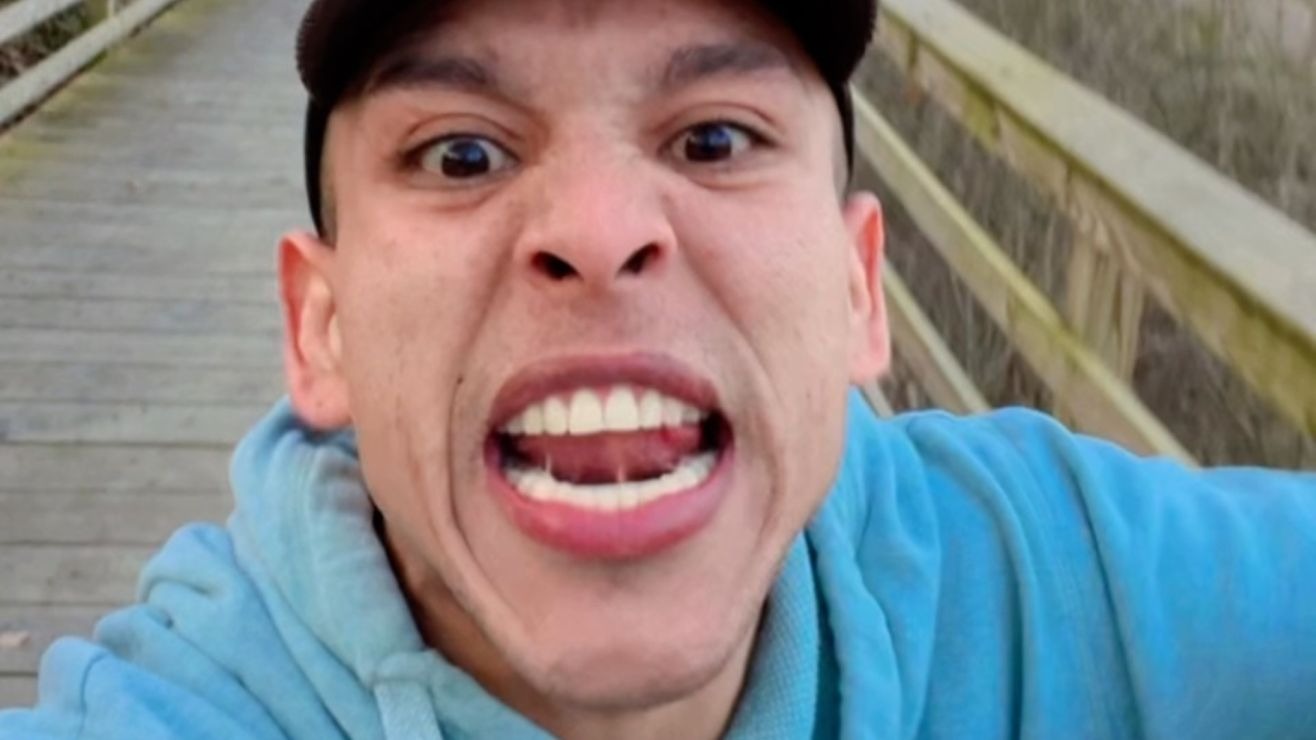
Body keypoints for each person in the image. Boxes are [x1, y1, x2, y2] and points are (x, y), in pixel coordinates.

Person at [4, 0, 1316, 737]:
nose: (597, 227)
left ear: (859, 291)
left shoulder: (1057, 578)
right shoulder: (169, 710)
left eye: (714, 139)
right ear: (320, 330)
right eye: (462, 153)